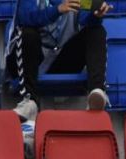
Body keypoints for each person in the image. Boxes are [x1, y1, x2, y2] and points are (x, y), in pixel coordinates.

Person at [8, 0, 111, 133]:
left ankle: (96, 93)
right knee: (27, 33)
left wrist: (95, 16)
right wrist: (57, 10)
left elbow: (85, 18)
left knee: (97, 31)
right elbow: (25, 17)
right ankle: (29, 101)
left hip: (59, 59)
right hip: (29, 59)